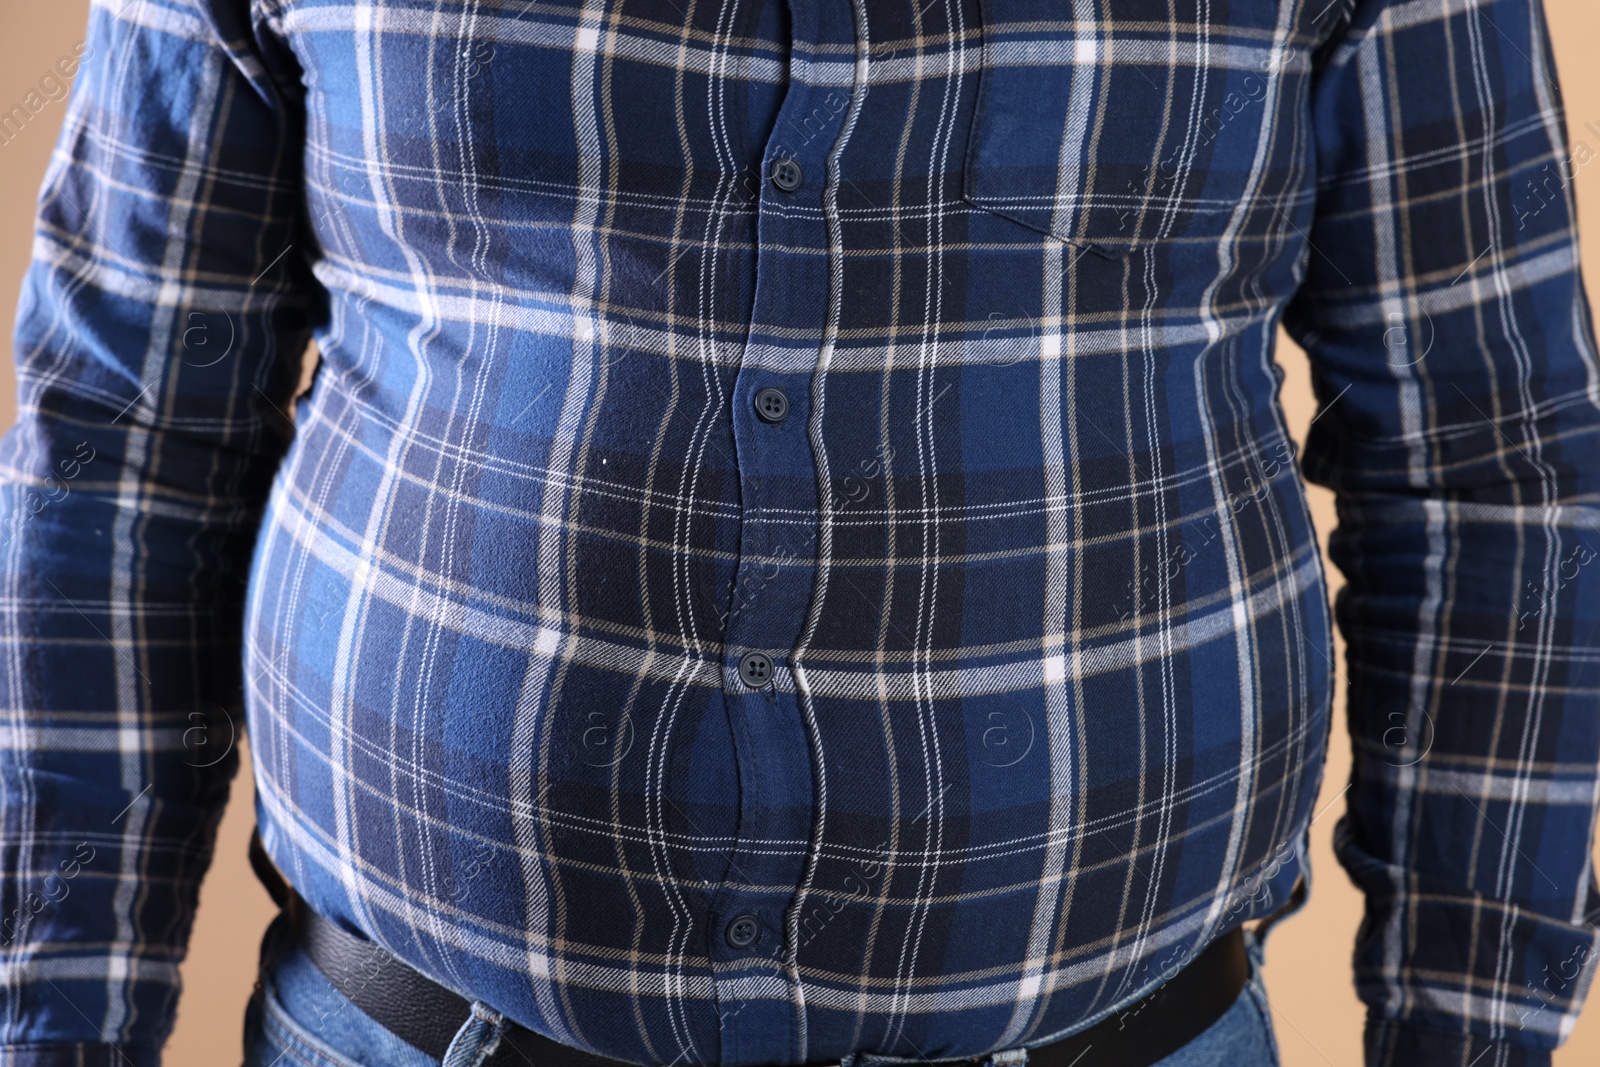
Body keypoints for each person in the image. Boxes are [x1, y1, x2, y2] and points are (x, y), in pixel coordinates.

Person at [1, 0, 1598, 1064]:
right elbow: (125, 437)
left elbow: (1495, 468)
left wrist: (1468, 1030)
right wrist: (56, 1025)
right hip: (402, 1032)